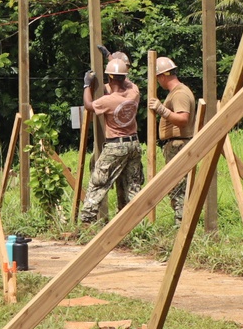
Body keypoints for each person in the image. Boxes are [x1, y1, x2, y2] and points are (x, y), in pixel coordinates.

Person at [79, 58, 145, 224]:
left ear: (109, 78)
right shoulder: (134, 93)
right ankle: (133, 223)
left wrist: (87, 85)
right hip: (134, 144)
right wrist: (111, 58)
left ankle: (87, 221)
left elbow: (88, 105)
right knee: (132, 185)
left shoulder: (109, 100)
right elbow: (126, 81)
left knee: (99, 181)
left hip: (116, 145)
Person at [148, 56, 196, 226]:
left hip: (178, 145)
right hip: (176, 144)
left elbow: (183, 119)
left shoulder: (180, 94)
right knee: (177, 185)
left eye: (157, 78)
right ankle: (181, 221)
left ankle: (181, 223)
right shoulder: (177, 92)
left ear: (162, 76)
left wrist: (161, 110)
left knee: (177, 185)